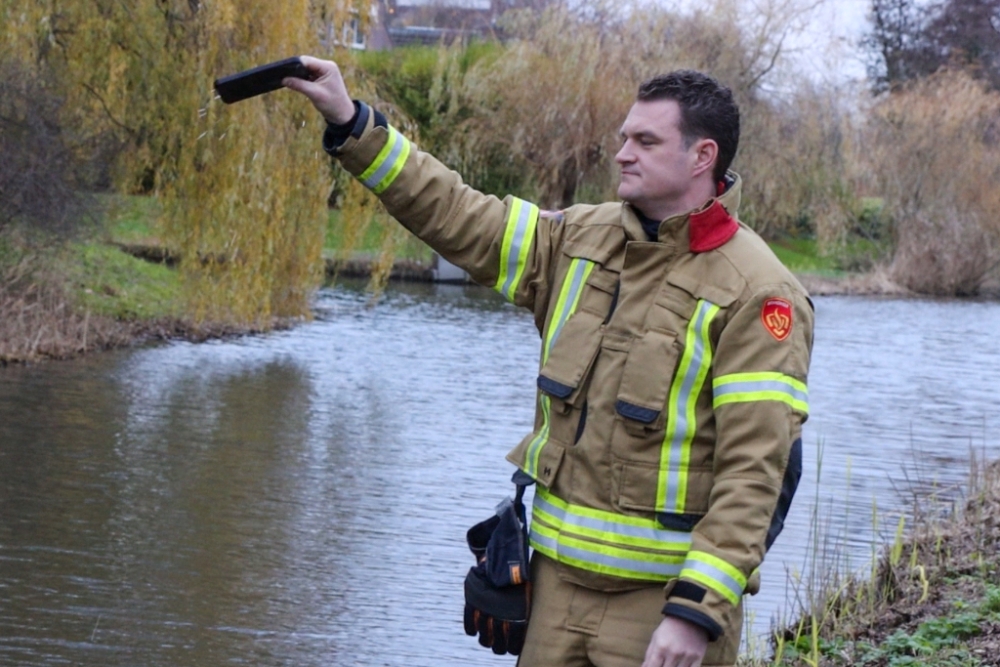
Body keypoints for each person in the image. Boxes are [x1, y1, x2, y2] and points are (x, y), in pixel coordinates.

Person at [285, 55, 813, 667]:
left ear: (702, 157)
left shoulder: (759, 292)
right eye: (623, 137)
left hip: (660, 612)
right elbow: (456, 212)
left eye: (645, 140)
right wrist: (353, 124)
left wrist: (696, 613)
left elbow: (756, 475)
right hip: (553, 598)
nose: (622, 153)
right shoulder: (577, 241)